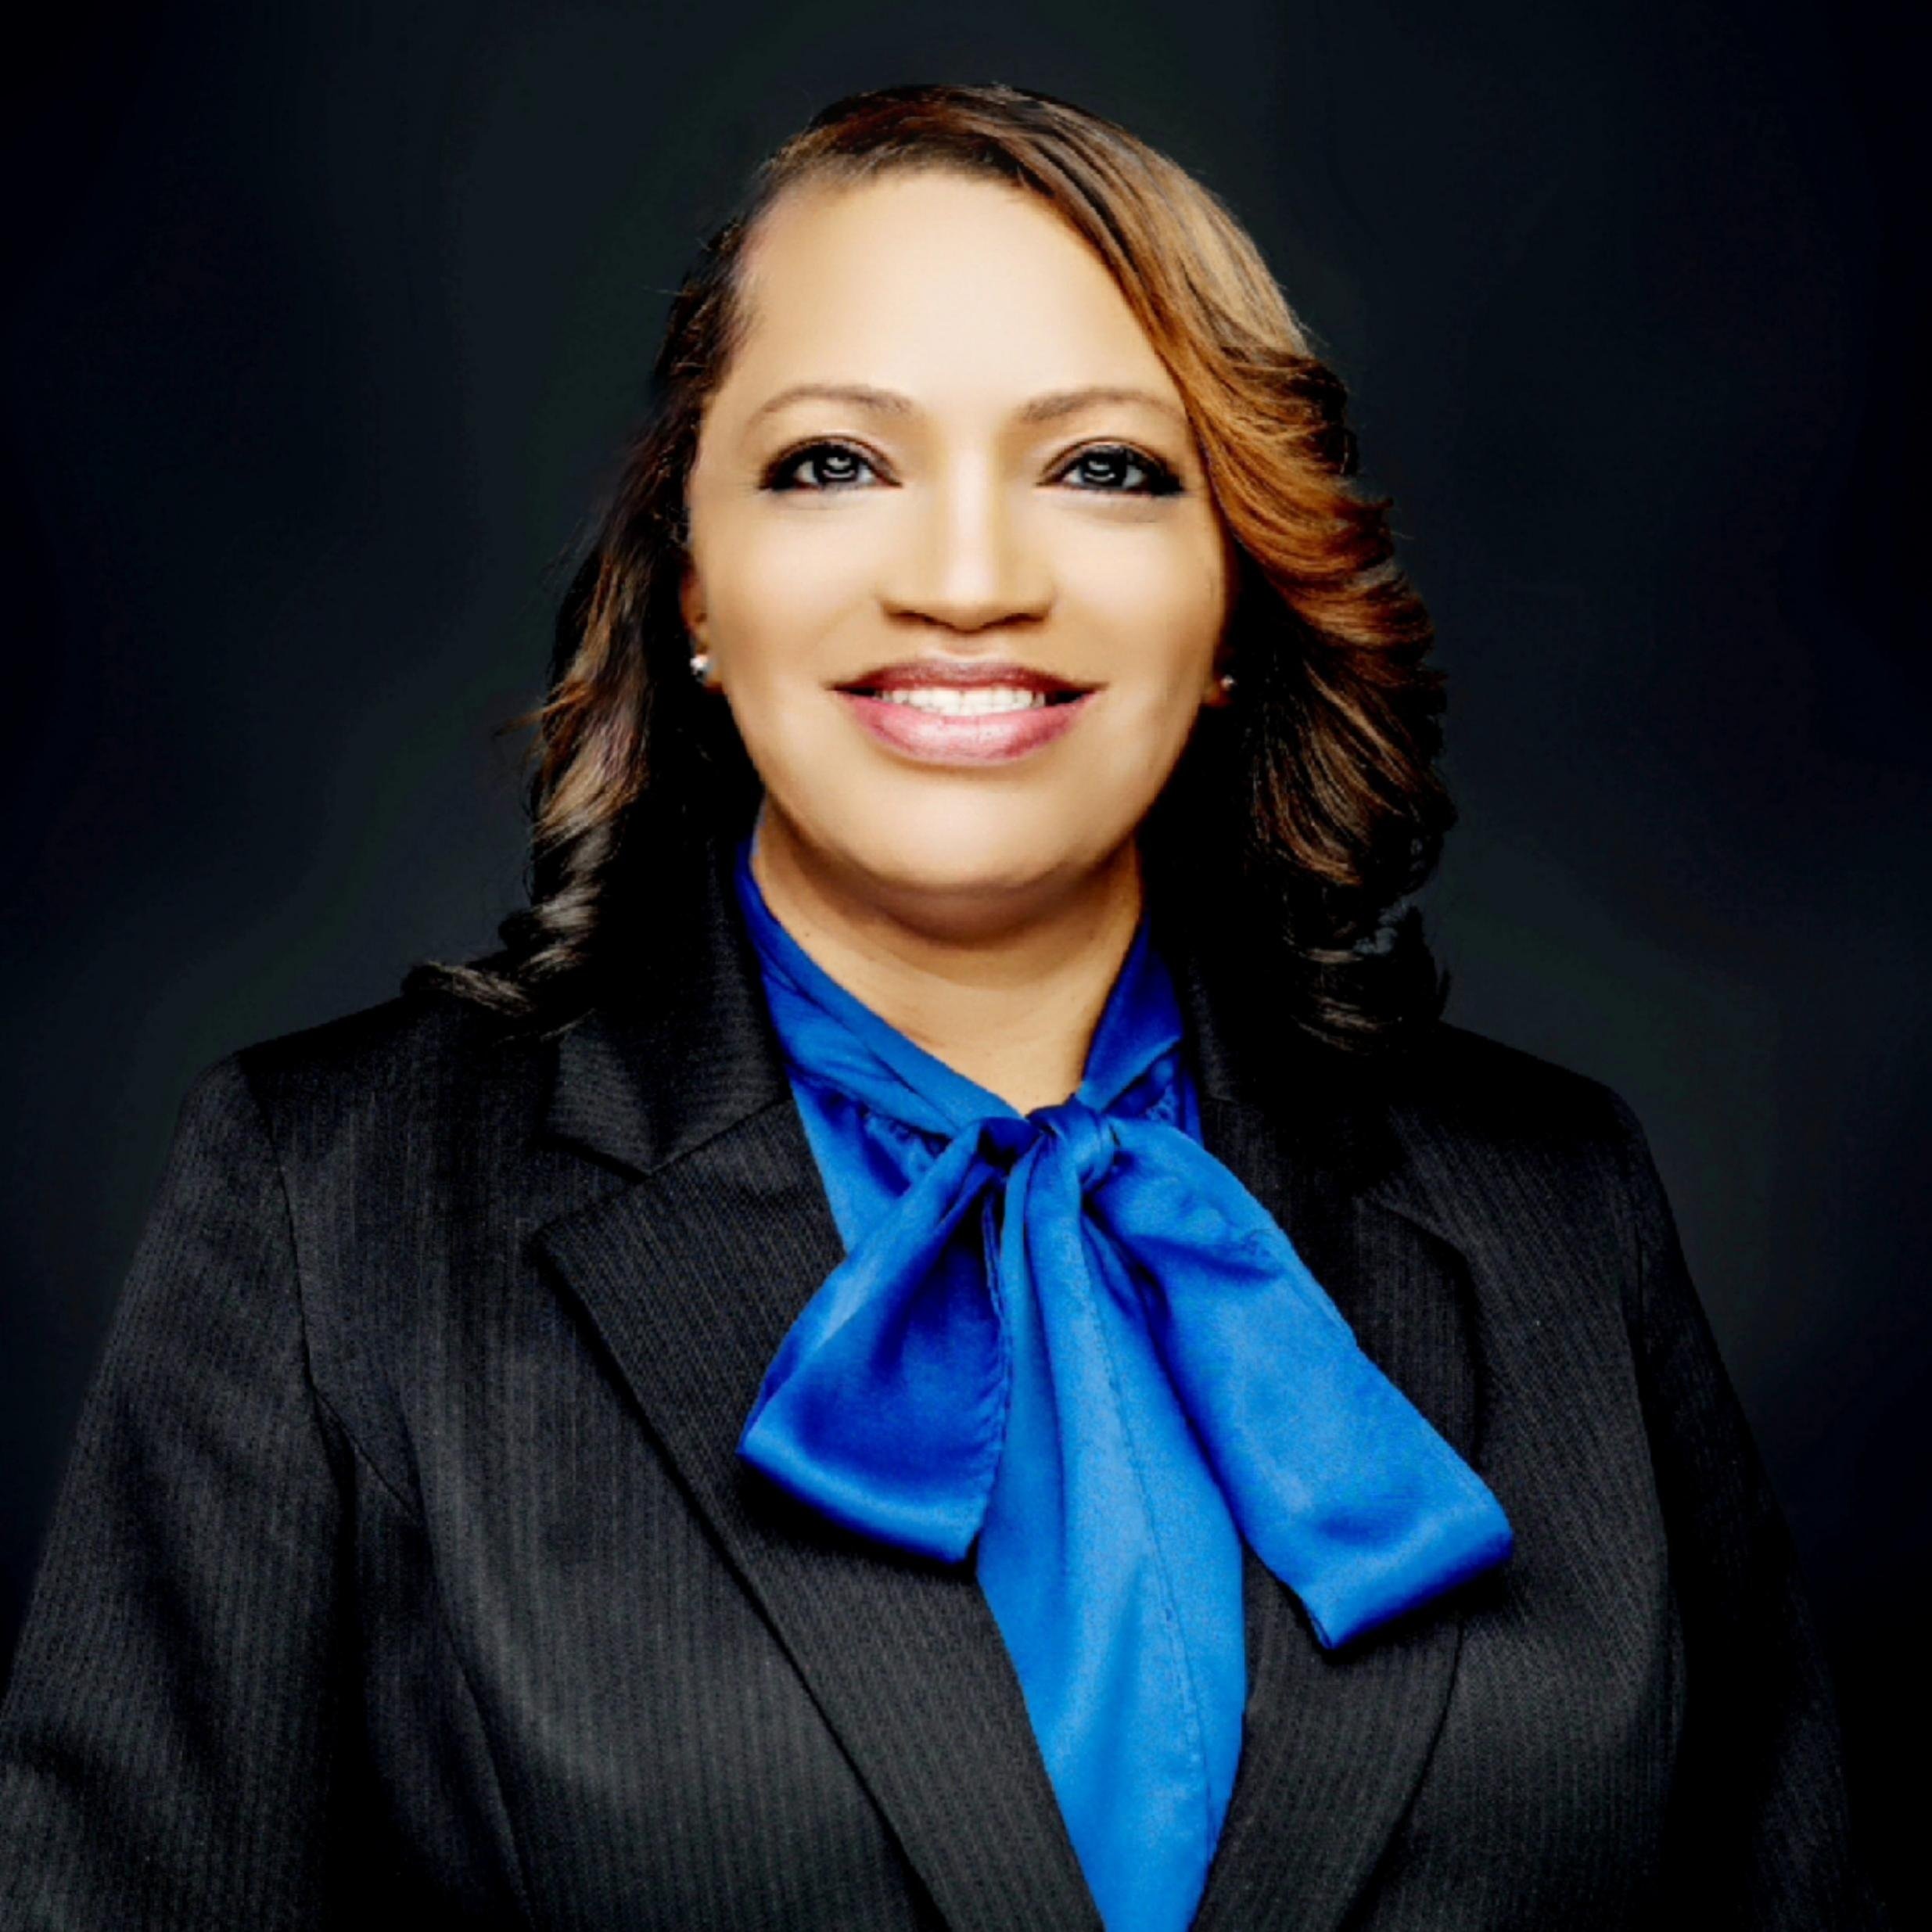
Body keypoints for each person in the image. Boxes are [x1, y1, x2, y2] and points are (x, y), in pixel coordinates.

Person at [0, 81, 1887, 1932]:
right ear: (692, 583)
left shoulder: (1554, 1201)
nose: (969, 581)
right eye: (834, 462)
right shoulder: (324, 1204)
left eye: (1103, 468)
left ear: (1234, 595)